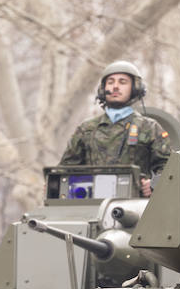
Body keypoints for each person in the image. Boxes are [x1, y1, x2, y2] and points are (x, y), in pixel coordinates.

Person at [60, 61, 171, 197]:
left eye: (123, 82)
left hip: (136, 207)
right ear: (103, 88)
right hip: (91, 205)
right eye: (111, 82)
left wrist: (154, 184)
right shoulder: (86, 129)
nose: (116, 87)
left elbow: (169, 166)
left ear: (135, 88)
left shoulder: (149, 127)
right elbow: (66, 169)